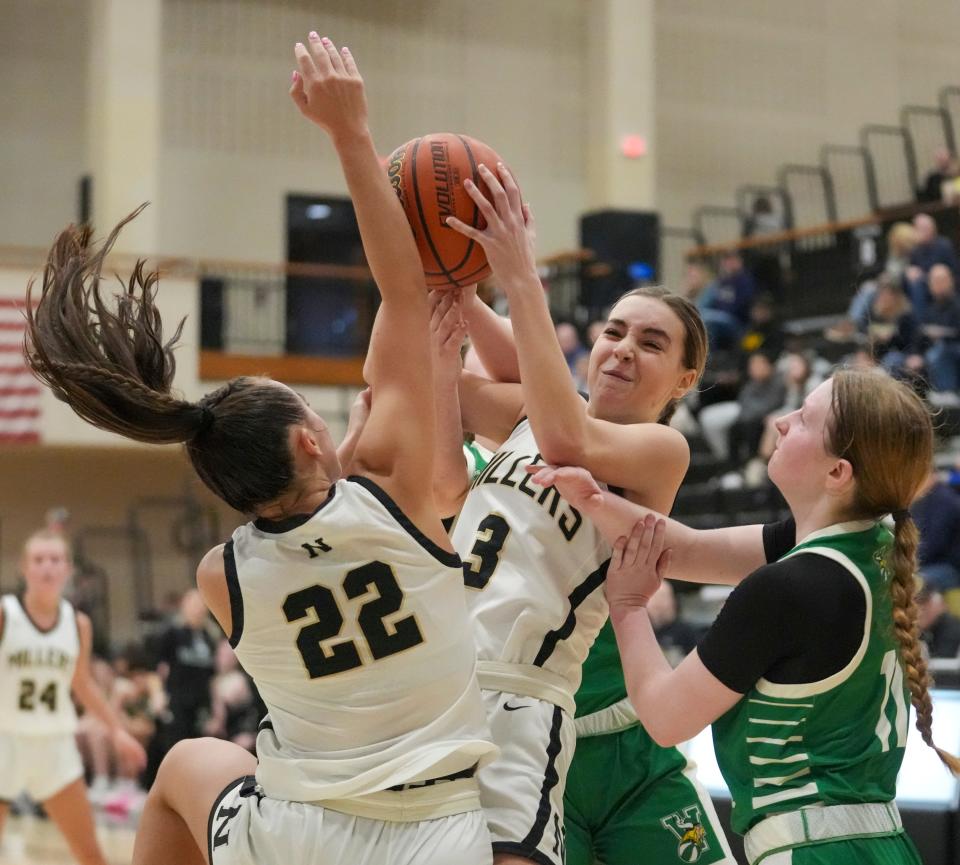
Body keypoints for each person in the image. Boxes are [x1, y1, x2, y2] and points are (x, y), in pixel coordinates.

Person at [25, 34, 496, 865]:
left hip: (293, 833)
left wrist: (344, 460)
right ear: (311, 438)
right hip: (434, 832)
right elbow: (401, 288)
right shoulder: (400, 485)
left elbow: (308, 529)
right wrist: (351, 133)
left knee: (184, 767)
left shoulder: (221, 575)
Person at [529, 369, 960, 864]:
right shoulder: (871, 541)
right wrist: (596, 501)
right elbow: (687, 549)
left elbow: (666, 718)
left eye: (803, 420)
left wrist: (627, 608)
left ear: (838, 473)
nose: (780, 421)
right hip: (883, 845)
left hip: (811, 851)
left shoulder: (787, 589)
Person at [444, 164, 720, 865]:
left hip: (613, 738)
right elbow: (475, 383)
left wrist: (514, 275)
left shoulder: (658, 449)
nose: (623, 348)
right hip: (517, 722)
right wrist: (448, 278)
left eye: (651, 343)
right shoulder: (537, 416)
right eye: (614, 331)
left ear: (686, 380)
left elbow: (569, 430)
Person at [0, 530, 147, 865]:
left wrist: (117, 731)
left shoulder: (77, 623)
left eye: (55, 560)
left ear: (68, 569)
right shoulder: (6, 614)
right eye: (38, 560)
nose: (47, 568)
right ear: (24, 568)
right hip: (4, 741)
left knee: (91, 855)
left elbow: (81, 684)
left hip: (54, 745)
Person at [916, 586, 960, 659]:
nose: (921, 610)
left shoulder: (950, 627)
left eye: (924, 604)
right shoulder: (926, 629)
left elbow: (944, 658)